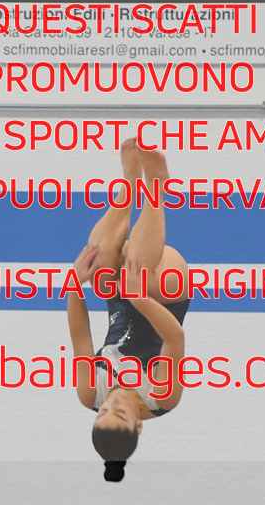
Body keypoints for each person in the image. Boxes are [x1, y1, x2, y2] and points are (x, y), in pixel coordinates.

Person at [67, 140, 191, 482]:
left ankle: (130, 182)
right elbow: (175, 338)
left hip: (124, 291)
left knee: (98, 262)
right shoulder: (162, 398)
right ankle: (156, 188)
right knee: (142, 271)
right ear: (138, 425)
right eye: (120, 413)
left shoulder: (89, 393)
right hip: (165, 292)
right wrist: (139, 297)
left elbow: (80, 334)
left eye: (103, 411)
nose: (112, 402)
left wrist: (74, 283)